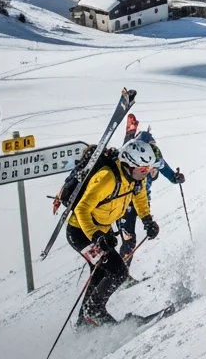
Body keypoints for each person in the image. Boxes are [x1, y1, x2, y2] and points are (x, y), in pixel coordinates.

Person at [66, 138, 160, 327]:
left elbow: (140, 199)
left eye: (147, 169)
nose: (146, 174)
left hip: (101, 232)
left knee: (101, 273)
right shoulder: (108, 178)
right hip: (81, 232)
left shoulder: (135, 180)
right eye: (143, 169)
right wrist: (96, 237)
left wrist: (147, 220)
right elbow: (82, 208)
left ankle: (85, 322)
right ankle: (93, 311)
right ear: (128, 164)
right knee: (118, 272)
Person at [117, 118, 185, 264]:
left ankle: (120, 273)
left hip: (141, 202)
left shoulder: (154, 159)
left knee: (129, 239)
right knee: (128, 239)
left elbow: (168, 173)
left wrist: (176, 177)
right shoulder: (133, 159)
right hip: (125, 202)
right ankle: (119, 273)